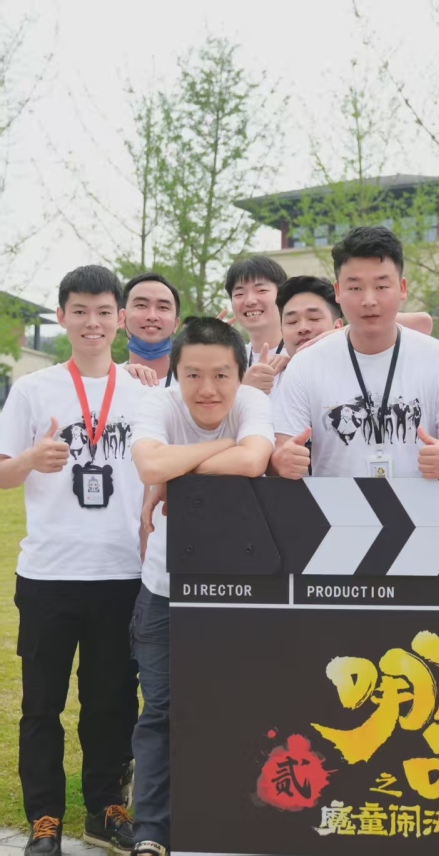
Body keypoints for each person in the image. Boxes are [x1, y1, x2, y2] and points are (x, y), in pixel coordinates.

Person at [0, 266, 147, 856]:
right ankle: (45, 819)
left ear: (120, 319)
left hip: (122, 573)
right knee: (42, 705)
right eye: (80, 311)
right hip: (49, 575)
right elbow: (2, 473)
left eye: (104, 311)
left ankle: (106, 809)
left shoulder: (144, 392)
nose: (93, 322)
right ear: (61, 316)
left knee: (112, 703)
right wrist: (29, 460)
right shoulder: (33, 390)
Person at [130, 317, 275, 856]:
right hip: (164, 589)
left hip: (237, 590)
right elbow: (149, 464)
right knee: (160, 711)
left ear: (239, 374)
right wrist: (218, 452)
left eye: (220, 375)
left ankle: (231, 821)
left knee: (238, 704)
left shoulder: (252, 402)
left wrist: (178, 471)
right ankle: (151, 830)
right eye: (193, 375)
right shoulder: (159, 404)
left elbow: (254, 459)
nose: (207, 389)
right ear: (176, 373)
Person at [272, 226, 439, 479]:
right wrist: (283, 461)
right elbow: (283, 448)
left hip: (421, 504)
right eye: (355, 288)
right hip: (336, 504)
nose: (369, 300)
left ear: (402, 288)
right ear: (338, 292)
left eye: (381, 286)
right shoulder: (306, 365)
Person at [224, 255, 290, 396]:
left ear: (282, 295)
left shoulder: (300, 355)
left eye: (261, 290)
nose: (250, 301)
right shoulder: (227, 362)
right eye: (239, 294)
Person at [122, 272, 181, 386]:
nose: (152, 316)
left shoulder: (194, 385)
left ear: (176, 324)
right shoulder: (106, 382)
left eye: (163, 307)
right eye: (141, 305)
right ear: (122, 318)